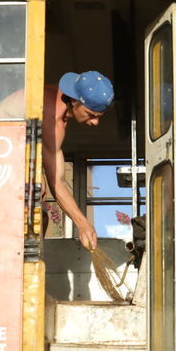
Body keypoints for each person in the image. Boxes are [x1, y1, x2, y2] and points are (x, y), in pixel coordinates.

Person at [40, 71, 116, 252]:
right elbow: (56, 183)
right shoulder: (52, 116)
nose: (95, 122)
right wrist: (83, 224)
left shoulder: (57, 100)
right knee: (38, 187)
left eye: (99, 116)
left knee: (41, 205)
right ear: (75, 101)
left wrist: (83, 223)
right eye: (91, 114)